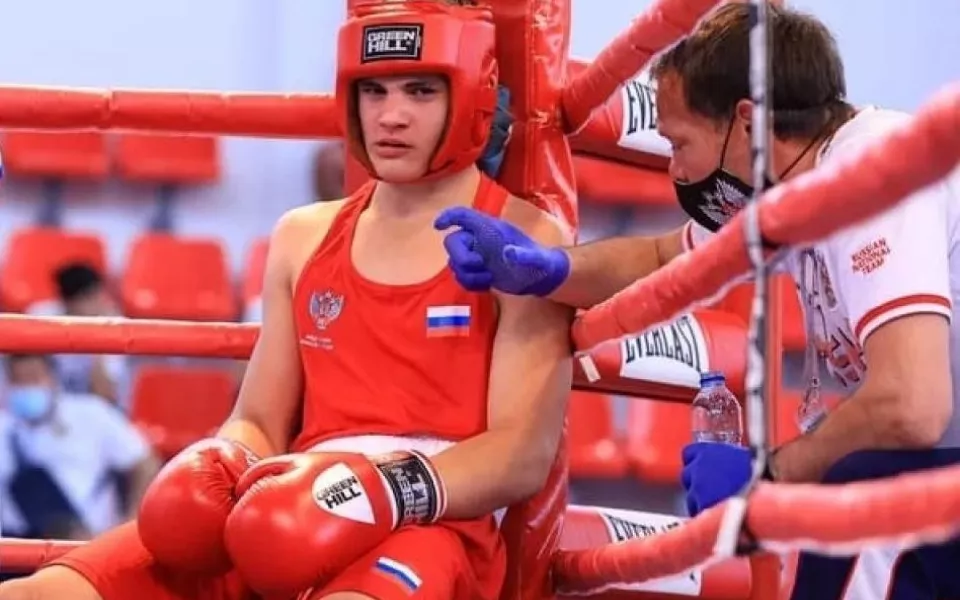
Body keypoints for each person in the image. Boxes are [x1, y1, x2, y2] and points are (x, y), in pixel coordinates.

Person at [0, 2, 572, 600]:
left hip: (433, 528)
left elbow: (520, 456)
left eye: (421, 91)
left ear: (473, 97)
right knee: (39, 594)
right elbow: (260, 419)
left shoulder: (524, 242)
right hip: (291, 511)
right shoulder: (304, 236)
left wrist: (377, 491)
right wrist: (226, 461)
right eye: (373, 91)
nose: (392, 115)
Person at [435, 4, 960, 599]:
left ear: (747, 122)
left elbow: (911, 407)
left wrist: (768, 475)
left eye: (680, 143)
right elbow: (665, 258)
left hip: (940, 484)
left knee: (858, 496)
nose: (676, 170)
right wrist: (546, 268)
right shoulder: (797, 191)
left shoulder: (869, 169)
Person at [0, 354, 159, 541]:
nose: (26, 387)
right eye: (18, 380)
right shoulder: (5, 427)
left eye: (33, 377)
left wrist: (129, 527)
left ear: (53, 378)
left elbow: (145, 464)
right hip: (17, 544)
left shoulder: (91, 413)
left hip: (90, 542)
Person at [27, 263, 129, 409]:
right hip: (52, 405)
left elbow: (105, 395)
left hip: (94, 408)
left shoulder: (114, 324)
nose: (98, 303)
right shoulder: (42, 315)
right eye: (88, 298)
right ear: (67, 302)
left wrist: (97, 336)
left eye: (98, 295)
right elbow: (26, 373)